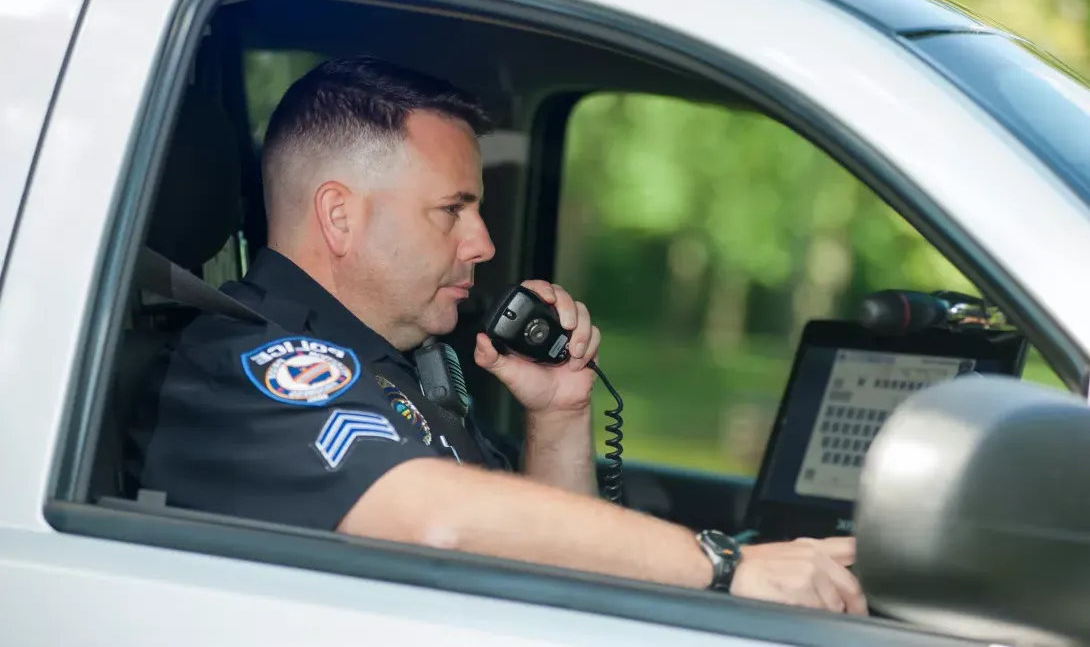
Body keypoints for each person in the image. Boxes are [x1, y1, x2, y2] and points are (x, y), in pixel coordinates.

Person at [132, 56, 866, 615]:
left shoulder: (402, 367)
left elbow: (543, 565)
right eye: (452, 210)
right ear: (339, 216)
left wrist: (558, 414)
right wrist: (727, 566)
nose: (482, 242)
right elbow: (439, 520)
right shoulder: (246, 364)